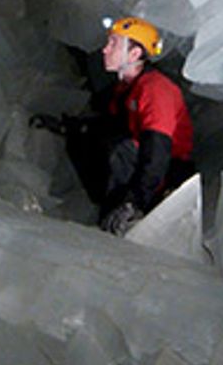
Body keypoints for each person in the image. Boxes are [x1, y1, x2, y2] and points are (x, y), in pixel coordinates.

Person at [34, 16, 195, 234]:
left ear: (135, 53)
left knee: (116, 147)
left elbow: (157, 152)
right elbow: (106, 126)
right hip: (140, 167)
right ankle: (107, 211)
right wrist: (68, 128)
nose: (105, 50)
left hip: (165, 179)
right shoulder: (126, 88)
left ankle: (124, 222)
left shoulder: (156, 90)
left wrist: (134, 202)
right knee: (92, 139)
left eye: (114, 43)